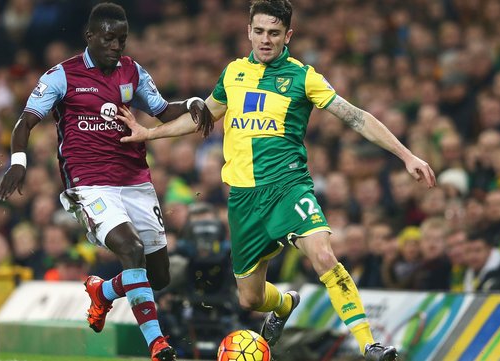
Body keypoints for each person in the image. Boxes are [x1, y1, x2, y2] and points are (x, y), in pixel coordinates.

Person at [117, 1, 437, 360]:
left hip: (288, 187)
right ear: (248, 31)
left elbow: (356, 117)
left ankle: (369, 344)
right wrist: (148, 133)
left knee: (323, 255)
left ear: (288, 35)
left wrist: (406, 155)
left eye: (273, 33)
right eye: (258, 31)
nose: (265, 40)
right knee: (250, 298)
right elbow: (202, 117)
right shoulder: (234, 73)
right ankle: (284, 304)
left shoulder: (304, 76)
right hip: (243, 199)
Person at [0, 4, 212, 361]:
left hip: (135, 181)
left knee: (158, 277)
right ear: (91, 36)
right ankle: (158, 345)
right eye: (109, 38)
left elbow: (160, 110)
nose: (116, 46)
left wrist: (192, 102)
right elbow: (25, 122)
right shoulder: (61, 76)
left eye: (122, 39)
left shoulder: (132, 72)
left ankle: (104, 293)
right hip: (89, 185)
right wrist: (18, 161)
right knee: (131, 250)